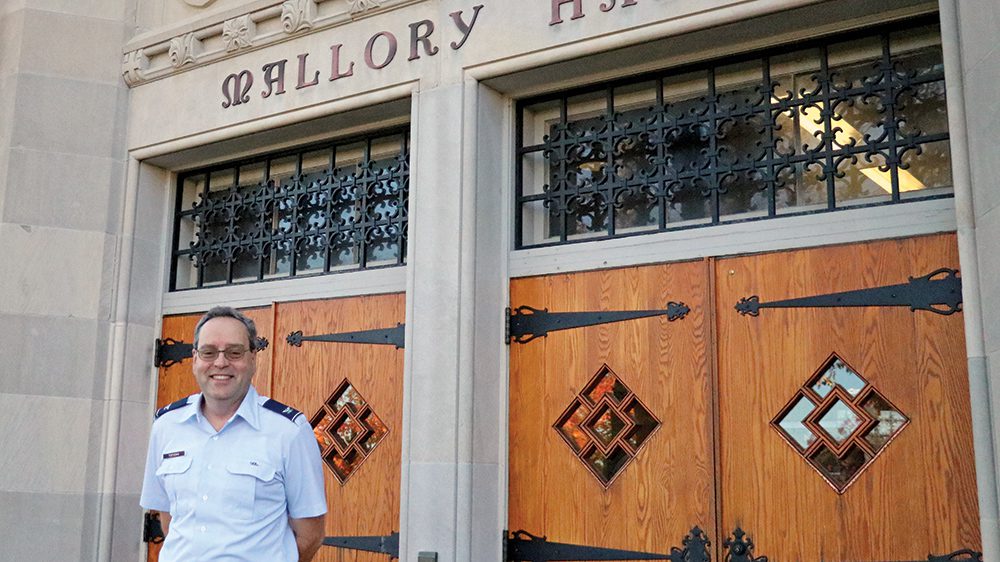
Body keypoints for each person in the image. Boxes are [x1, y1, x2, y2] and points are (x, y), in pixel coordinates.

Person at [141, 306, 327, 561]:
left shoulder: (289, 432)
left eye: (234, 352)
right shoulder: (166, 426)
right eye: (208, 352)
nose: (220, 362)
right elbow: (169, 519)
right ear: (195, 359)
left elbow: (310, 535)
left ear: (253, 358)